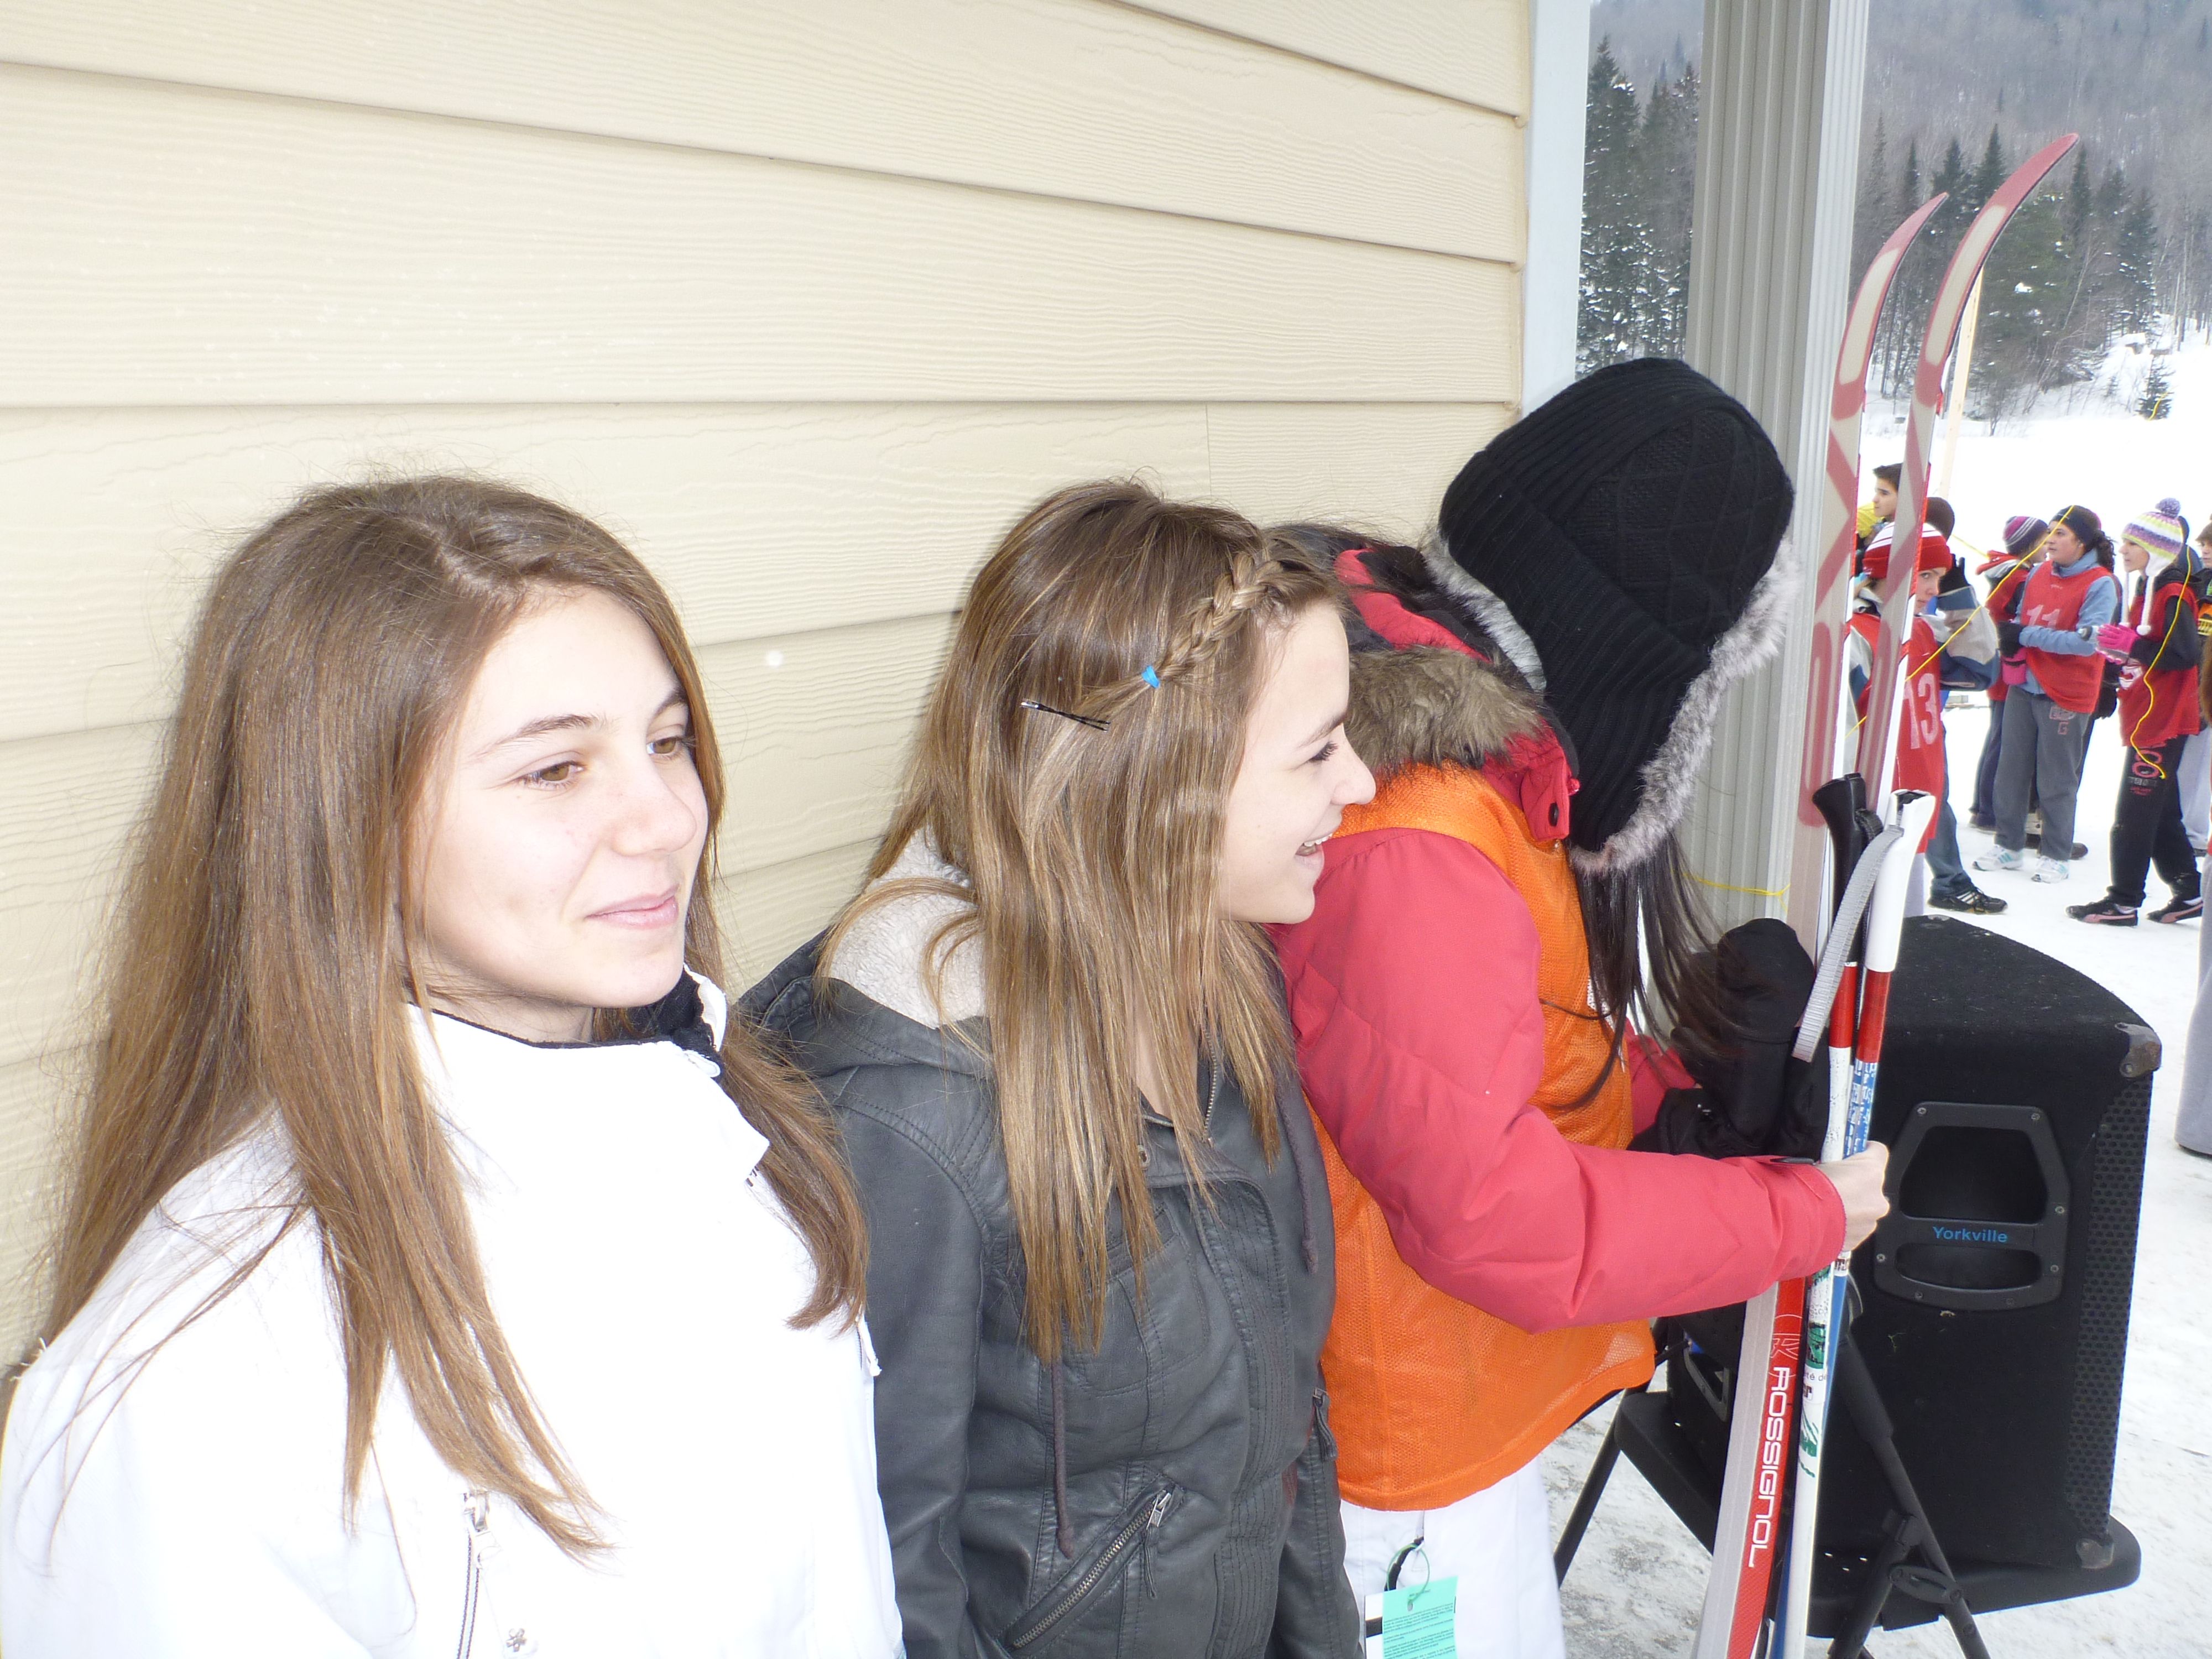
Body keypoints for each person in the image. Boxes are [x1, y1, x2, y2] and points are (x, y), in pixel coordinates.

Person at [0, 477, 899, 1656]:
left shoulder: (720, 1129)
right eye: (555, 769)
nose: (669, 819)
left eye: (667, 740)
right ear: (342, 823)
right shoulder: (199, 1374)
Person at [1265, 362, 1890, 1659]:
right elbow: (1486, 1209)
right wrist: (1794, 1216)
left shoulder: (1463, 769)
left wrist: (1669, 1090)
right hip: (1405, 1462)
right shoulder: (1419, 836)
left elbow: (1478, 1044)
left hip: (1449, 1416)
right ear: (1629, 658)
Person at [746, 482, 1368, 1659]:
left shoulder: (1225, 982)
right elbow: (892, 1572)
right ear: (1156, 777)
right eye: (1318, 750)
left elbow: (1286, 1429)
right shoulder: (909, 1110)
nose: (1362, 782)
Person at [2069, 499, 2204, 925]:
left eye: (2132, 544)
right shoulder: (2148, 587)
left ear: (2157, 550)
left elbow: (2183, 654)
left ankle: (2123, 901)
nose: (2123, 549)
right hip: (2147, 713)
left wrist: (2135, 647)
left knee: (2134, 814)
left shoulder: (2172, 592)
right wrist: (2119, 653)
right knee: (2160, 811)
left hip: (2162, 720)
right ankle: (2190, 892)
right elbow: (2149, 648)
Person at [1976, 504, 2122, 883]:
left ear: (2082, 542)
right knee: (2010, 771)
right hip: (2025, 684)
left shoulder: (2101, 583)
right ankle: (2008, 845)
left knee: (2057, 779)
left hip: (2067, 692)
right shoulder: (2039, 572)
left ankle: (2056, 854)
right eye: (2050, 531)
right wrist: (2011, 635)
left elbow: (2088, 643)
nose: (2050, 540)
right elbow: (2023, 618)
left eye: (2061, 533)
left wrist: (2025, 635)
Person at [1969, 515, 2051, 831]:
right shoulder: (2019, 578)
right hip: (2011, 666)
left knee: (1998, 736)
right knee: (2004, 739)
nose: (2048, 547)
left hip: (2002, 663)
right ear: (2030, 544)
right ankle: (1989, 810)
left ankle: (1983, 806)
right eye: (2044, 540)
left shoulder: (2008, 573)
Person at [2176, 522, 2212, 854]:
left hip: (2207, 690)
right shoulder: (2200, 581)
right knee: (2187, 762)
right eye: (2203, 545)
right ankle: (2181, 829)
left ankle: (2195, 834)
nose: (2206, 550)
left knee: (2200, 766)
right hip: (2190, 683)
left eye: (2211, 545)